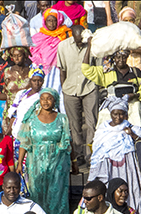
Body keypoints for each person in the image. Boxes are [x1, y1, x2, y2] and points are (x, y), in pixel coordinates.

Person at [17, 88, 72, 214]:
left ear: (54, 101)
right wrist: (19, 164)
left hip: (57, 164)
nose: (46, 102)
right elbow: (24, 142)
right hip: (36, 164)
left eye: (49, 99)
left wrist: (74, 163)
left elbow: (67, 143)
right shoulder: (31, 119)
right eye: (43, 98)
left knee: (57, 196)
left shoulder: (62, 118)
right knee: (37, 195)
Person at [88, 98, 141, 214]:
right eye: (115, 114)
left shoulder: (130, 128)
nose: (118, 117)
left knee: (130, 193)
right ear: (110, 114)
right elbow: (97, 154)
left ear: (125, 114)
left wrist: (132, 134)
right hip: (108, 169)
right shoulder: (102, 130)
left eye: (121, 114)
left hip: (128, 169)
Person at [57, 25, 98, 165]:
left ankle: (90, 155)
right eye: (78, 41)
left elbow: (97, 66)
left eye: (82, 40)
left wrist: (90, 45)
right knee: (74, 125)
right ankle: (79, 154)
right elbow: (62, 70)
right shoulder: (63, 46)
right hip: (70, 89)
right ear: (72, 37)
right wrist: (64, 88)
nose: (81, 43)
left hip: (89, 87)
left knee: (91, 122)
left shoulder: (92, 44)